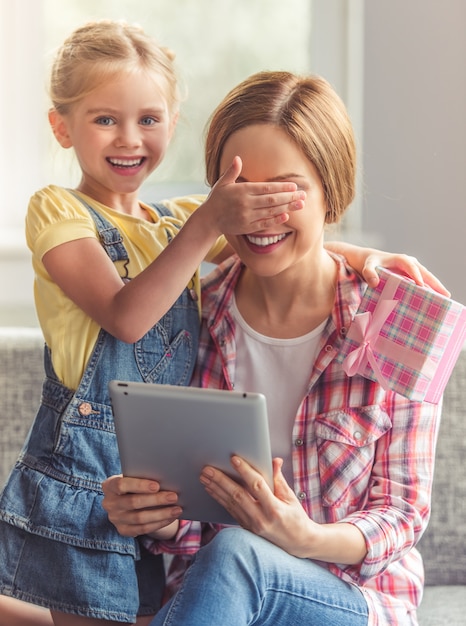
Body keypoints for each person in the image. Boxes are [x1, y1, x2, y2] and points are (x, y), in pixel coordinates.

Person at [0, 19, 445, 626]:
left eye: (285, 192)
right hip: (215, 601)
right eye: (242, 194)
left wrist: (306, 536)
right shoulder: (194, 308)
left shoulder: (397, 320)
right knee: (216, 563)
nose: (259, 215)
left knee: (240, 554)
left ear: (330, 195)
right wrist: (150, 516)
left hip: (346, 597)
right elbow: (186, 518)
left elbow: (402, 513)